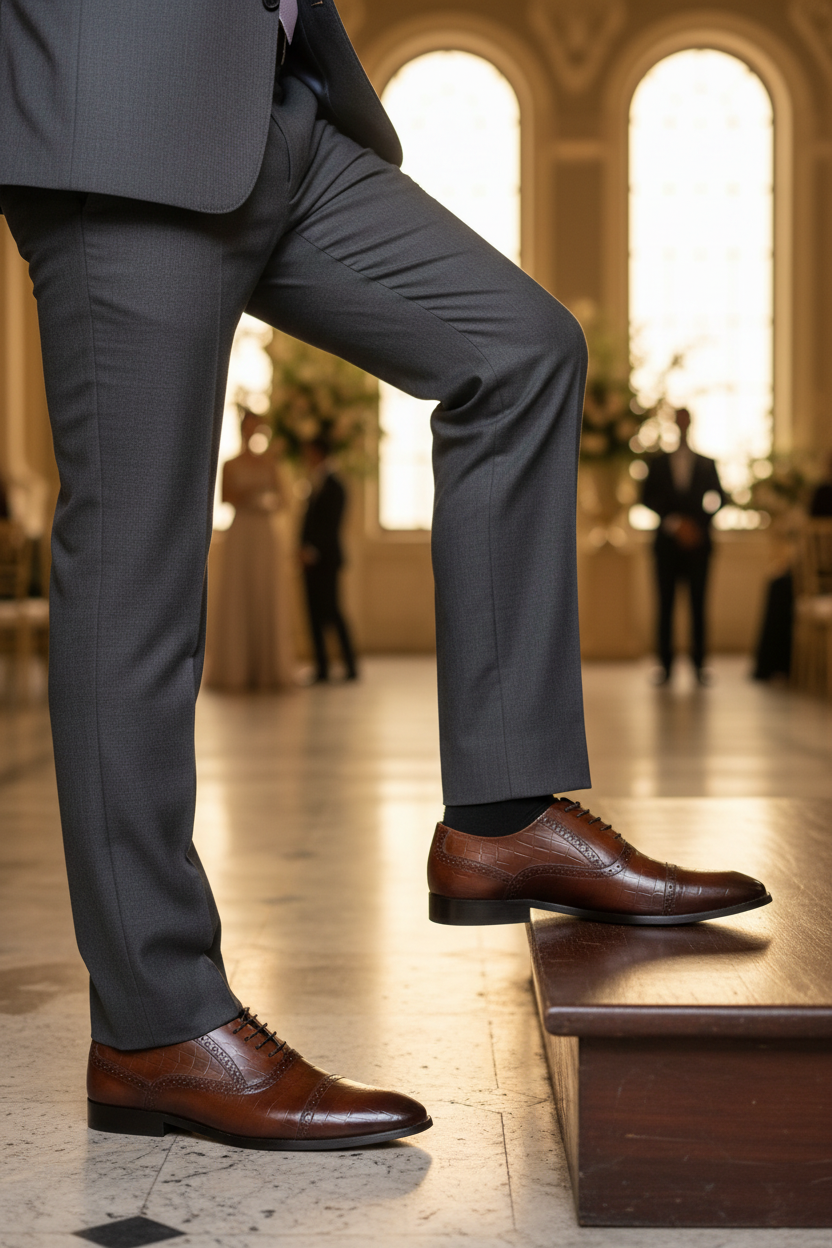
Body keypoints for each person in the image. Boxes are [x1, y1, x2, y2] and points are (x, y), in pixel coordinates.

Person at [0, 1, 769, 1153]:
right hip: (117, 113)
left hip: (280, 110)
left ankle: (502, 816)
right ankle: (157, 1025)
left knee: (519, 348)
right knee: (137, 573)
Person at [205, 409, 295, 692]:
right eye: (249, 427)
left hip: (264, 533)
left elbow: (283, 500)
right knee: (239, 592)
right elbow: (225, 498)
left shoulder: (271, 463)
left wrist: (263, 494)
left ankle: (269, 668)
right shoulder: (230, 464)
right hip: (241, 531)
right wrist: (251, 493)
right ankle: (236, 669)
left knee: (265, 592)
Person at [642, 408, 727, 684]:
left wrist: (697, 525)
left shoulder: (706, 463)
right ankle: (665, 667)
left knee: (698, 604)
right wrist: (674, 523)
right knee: (665, 605)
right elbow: (645, 498)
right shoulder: (657, 463)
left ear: (690, 423)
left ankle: (699, 665)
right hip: (666, 546)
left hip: (698, 546)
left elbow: (720, 498)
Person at [300, 436, 357, 682]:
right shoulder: (313, 482)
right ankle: (321, 667)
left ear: (319, 453)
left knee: (332, 611)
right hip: (309, 561)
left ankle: (350, 665)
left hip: (327, 560)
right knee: (312, 614)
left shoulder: (336, 485)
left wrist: (314, 549)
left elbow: (331, 525)